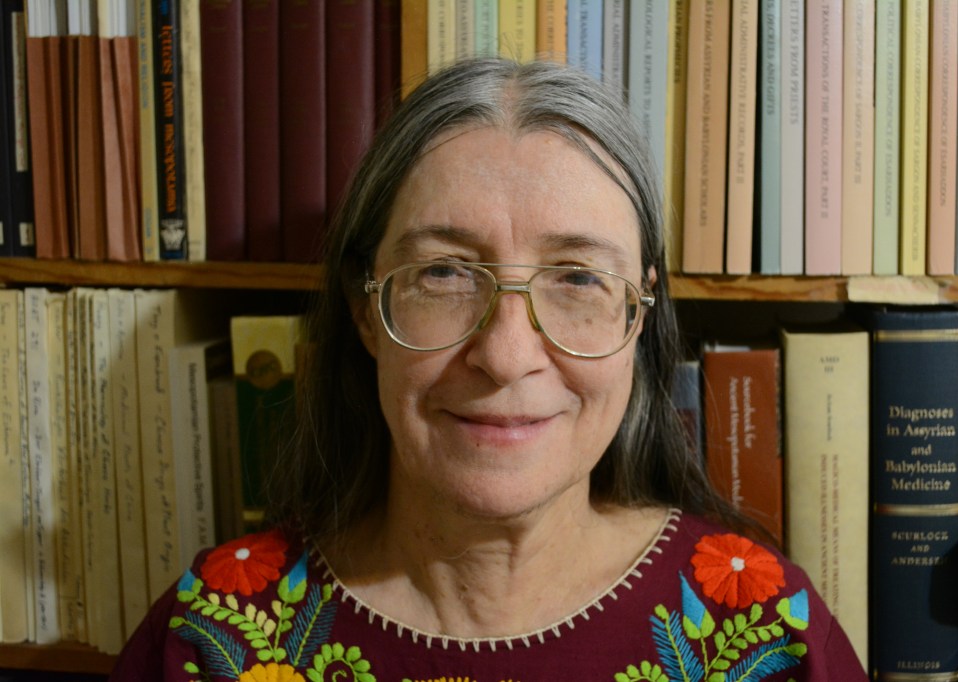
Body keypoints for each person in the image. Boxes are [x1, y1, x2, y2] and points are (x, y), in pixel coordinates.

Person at [111, 58, 867, 681]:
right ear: (364, 309)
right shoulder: (214, 638)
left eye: (578, 278)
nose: (506, 356)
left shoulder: (765, 635)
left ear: (637, 318)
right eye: (443, 273)